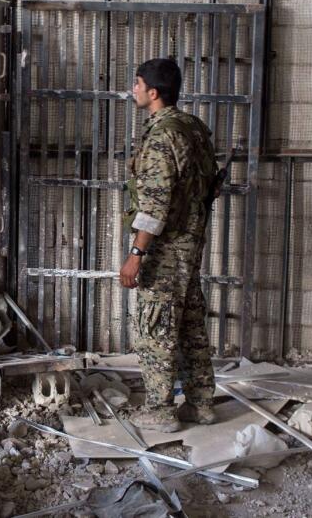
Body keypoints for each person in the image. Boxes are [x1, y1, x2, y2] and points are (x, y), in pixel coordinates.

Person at [119, 57, 218, 433]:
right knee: (190, 321)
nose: (134, 89)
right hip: (192, 240)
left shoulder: (163, 135)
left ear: (153, 92)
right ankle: (201, 403)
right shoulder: (194, 129)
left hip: (167, 246)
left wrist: (136, 254)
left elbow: (156, 203)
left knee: (156, 324)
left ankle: (160, 410)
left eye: (137, 83)